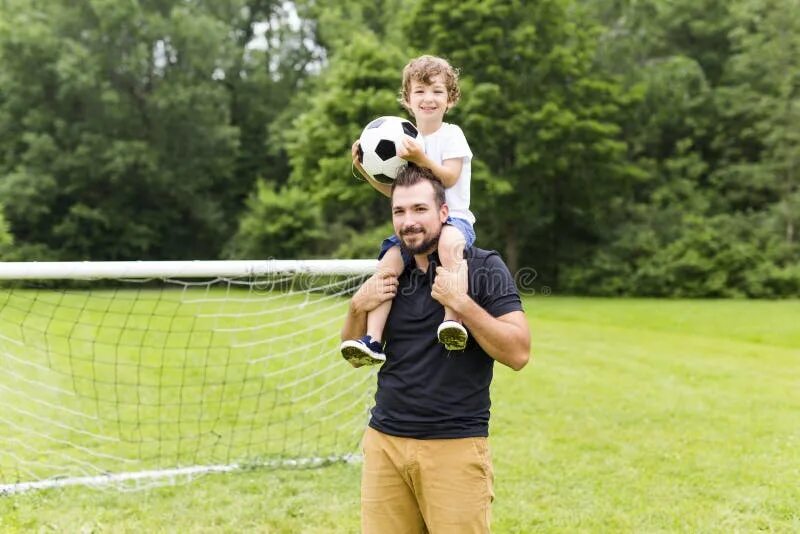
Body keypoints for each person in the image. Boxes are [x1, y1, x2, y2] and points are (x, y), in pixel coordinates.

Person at [340, 166, 531, 533]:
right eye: (400, 211)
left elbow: (518, 352)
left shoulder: (482, 268)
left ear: (444, 214)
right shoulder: (391, 270)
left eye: (419, 209)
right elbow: (352, 352)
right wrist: (355, 306)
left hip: (454, 446)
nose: (408, 221)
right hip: (385, 444)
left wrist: (461, 303)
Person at [341, 55, 475, 366]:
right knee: (387, 265)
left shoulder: (451, 135)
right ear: (407, 99)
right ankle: (373, 339)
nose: (429, 98)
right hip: (417, 222)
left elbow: (449, 177)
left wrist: (422, 158)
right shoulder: (401, 137)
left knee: (448, 244)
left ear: (450, 99)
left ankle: (453, 321)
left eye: (438, 91)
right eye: (420, 92)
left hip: (453, 220)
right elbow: (396, 194)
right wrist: (364, 171)